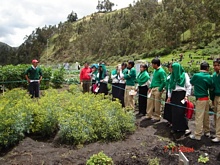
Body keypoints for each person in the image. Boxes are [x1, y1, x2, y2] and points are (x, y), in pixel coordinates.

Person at [189, 62, 213, 141]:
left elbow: (191, 82)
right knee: (206, 116)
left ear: (200, 68)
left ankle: (197, 135)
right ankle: (207, 132)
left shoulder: (196, 75)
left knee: (199, 117)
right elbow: (210, 86)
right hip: (206, 98)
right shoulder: (209, 76)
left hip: (199, 99)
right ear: (207, 68)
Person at [167, 63, 191, 136]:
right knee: (174, 112)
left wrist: (186, 95)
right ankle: (175, 128)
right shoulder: (172, 76)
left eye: (174, 68)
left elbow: (188, 86)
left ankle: (185, 128)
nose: (173, 70)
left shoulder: (184, 75)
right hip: (174, 94)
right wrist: (169, 96)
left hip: (182, 94)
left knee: (181, 111)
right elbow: (170, 87)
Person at [146, 58, 166, 123]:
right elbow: (153, 80)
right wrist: (150, 87)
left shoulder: (161, 71)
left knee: (157, 103)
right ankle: (149, 115)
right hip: (153, 88)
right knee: (150, 101)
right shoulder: (155, 71)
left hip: (157, 88)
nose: (152, 65)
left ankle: (157, 116)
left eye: (153, 64)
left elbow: (164, 81)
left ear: (156, 64)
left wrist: (160, 89)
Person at [211, 59, 220, 142]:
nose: (215, 67)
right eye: (214, 65)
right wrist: (212, 99)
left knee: (219, 117)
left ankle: (218, 135)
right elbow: (212, 88)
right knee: (215, 115)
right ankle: (217, 132)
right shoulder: (214, 75)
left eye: (217, 65)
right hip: (216, 97)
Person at [163, 63, 172, 127]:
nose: (169, 69)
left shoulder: (175, 75)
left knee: (171, 107)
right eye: (169, 67)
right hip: (168, 92)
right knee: (168, 107)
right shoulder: (169, 75)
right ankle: (169, 120)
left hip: (172, 93)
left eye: (170, 67)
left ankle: (172, 121)